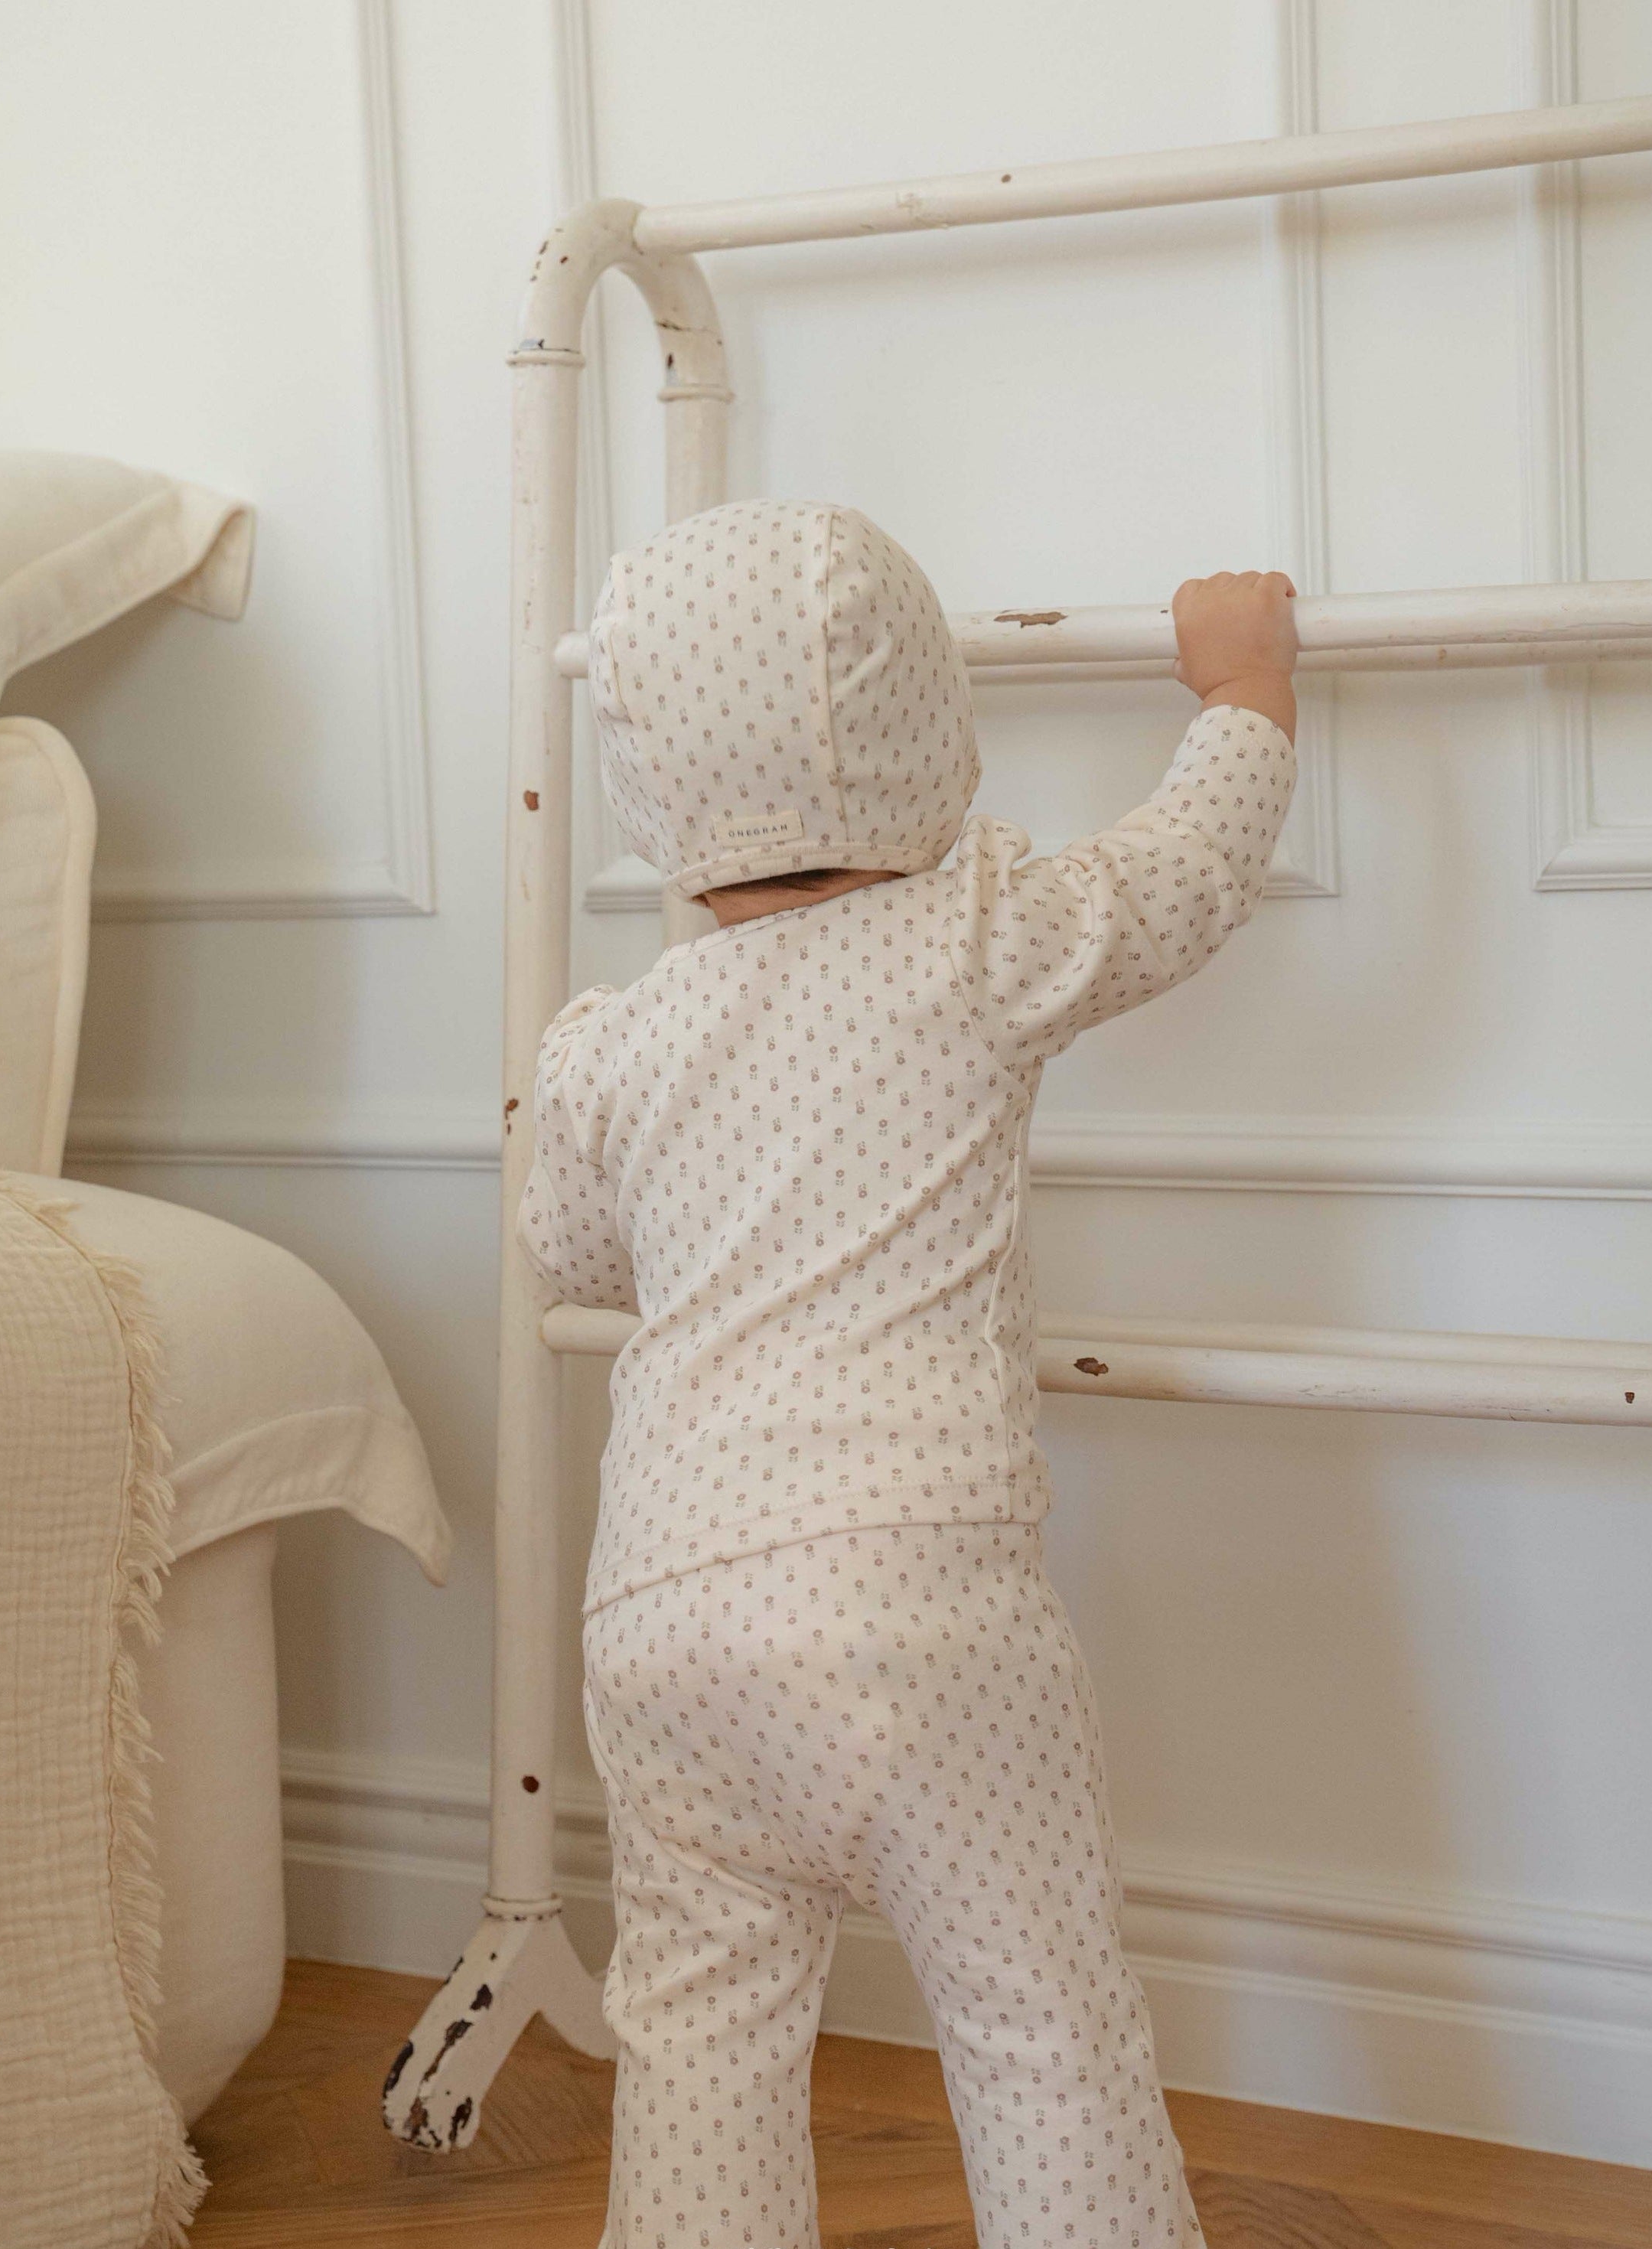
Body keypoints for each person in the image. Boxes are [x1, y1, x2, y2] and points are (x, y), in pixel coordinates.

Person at [519, 499, 1297, 2248]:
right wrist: (1244, 696)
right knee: (1040, 2028)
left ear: (651, 780)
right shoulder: (977, 931)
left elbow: (567, 1254)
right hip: (916, 1606)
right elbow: (1180, 882)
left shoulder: (612, 1043)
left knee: (701, 2034)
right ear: (919, 723)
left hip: (659, 1625)